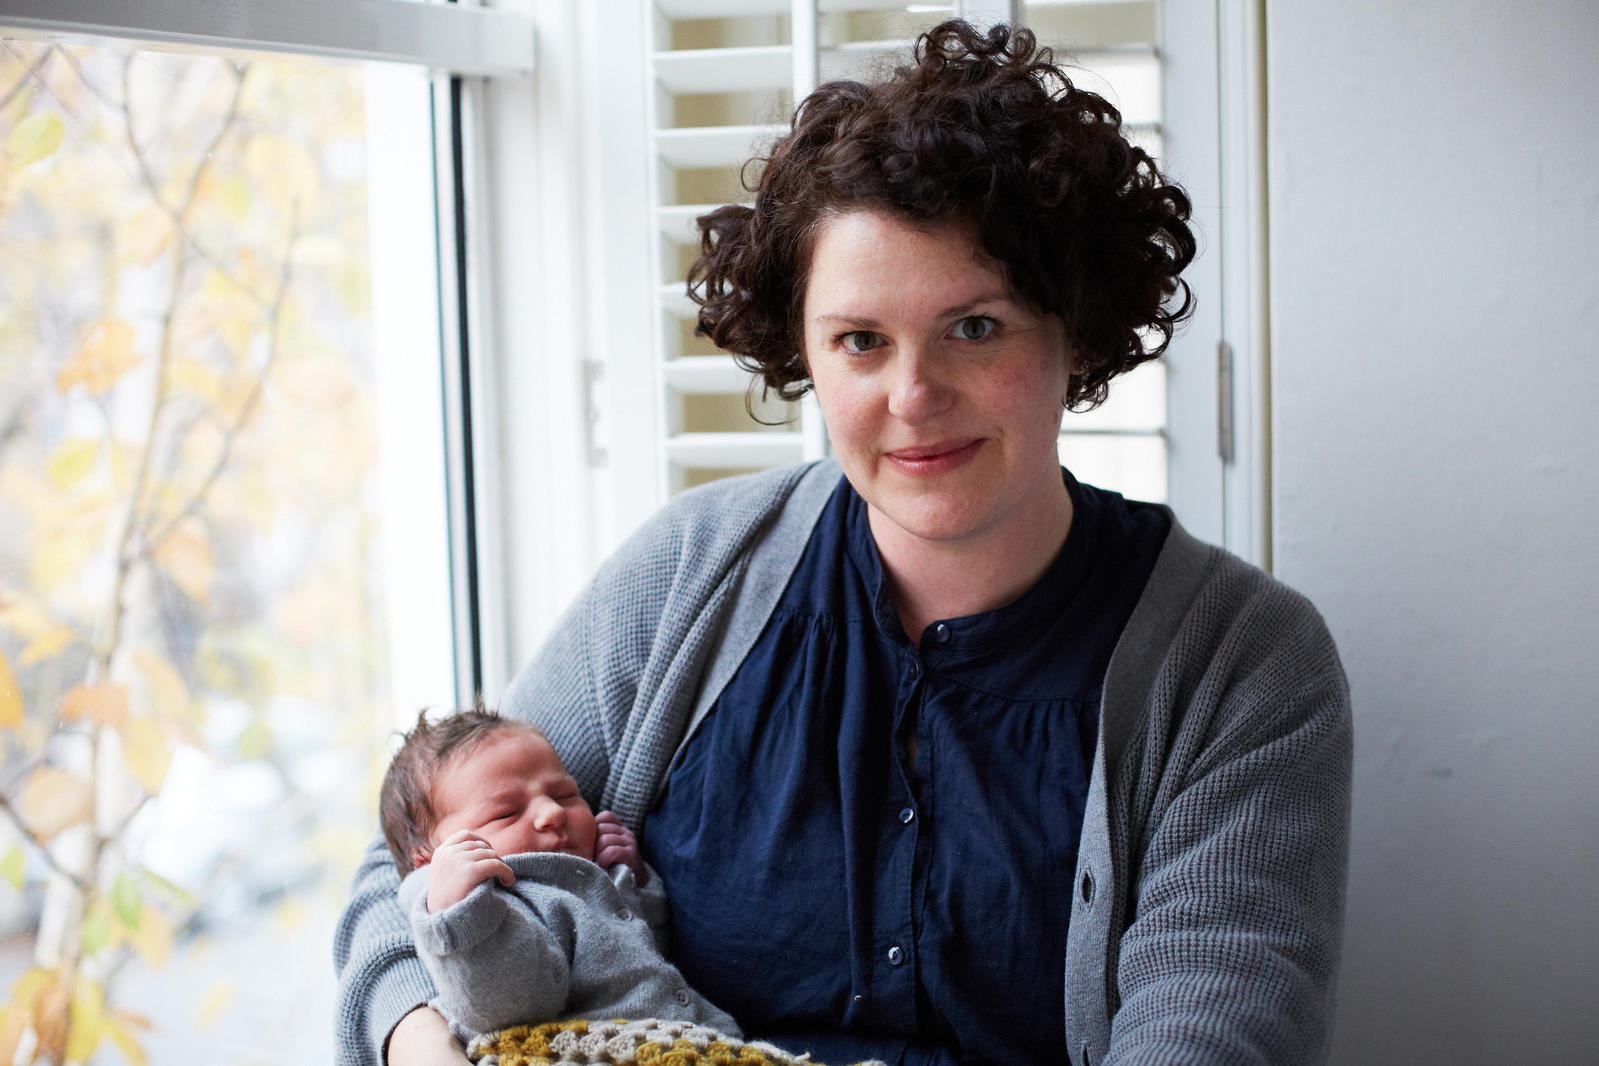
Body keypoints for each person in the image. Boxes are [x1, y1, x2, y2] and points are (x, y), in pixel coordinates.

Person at [336, 20, 1351, 1066]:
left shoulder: (1243, 665)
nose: (912, 396)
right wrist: (423, 1045)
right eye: (861, 341)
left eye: (974, 327)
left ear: (1077, 332)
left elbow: (1212, 1039)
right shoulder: (688, 572)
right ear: (805, 353)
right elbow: (413, 862)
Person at [376, 707, 741, 1044]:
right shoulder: (490, 902)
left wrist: (635, 881)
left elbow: (651, 950)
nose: (552, 812)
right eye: (506, 813)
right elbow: (507, 1006)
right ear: (431, 861)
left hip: (695, 1035)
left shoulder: (584, 874)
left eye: (565, 794)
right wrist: (457, 915)